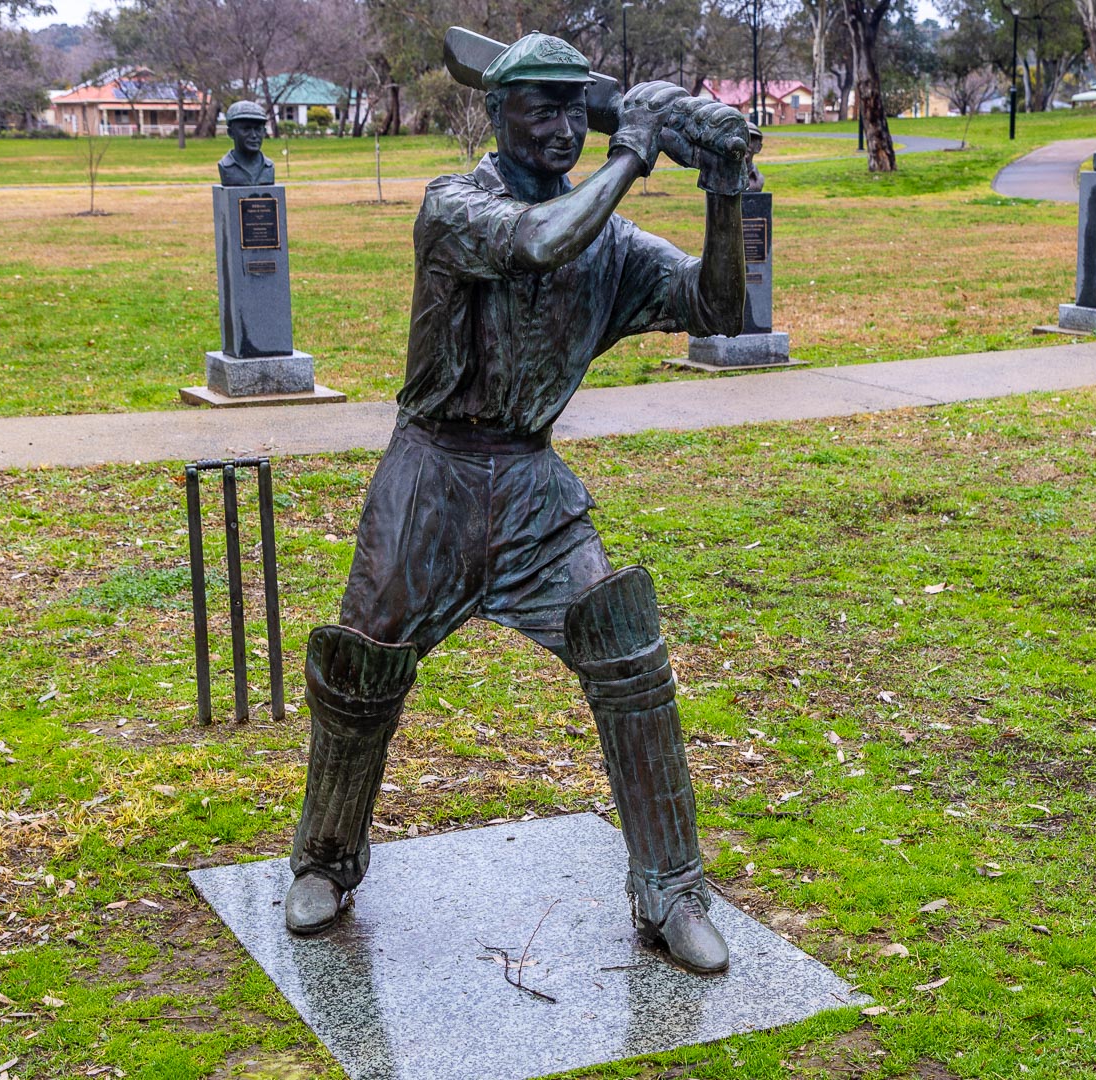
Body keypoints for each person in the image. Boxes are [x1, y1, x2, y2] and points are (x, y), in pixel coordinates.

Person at [282, 32, 749, 976]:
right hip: (432, 477)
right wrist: (634, 148)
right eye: (540, 108)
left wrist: (727, 187)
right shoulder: (457, 205)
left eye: (577, 108)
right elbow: (538, 244)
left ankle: (671, 886)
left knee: (624, 645)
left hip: (530, 485)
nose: (563, 128)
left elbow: (718, 307)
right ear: (495, 115)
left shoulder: (609, 239)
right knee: (361, 671)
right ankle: (324, 859)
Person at [217, 101, 275, 186]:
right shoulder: (226, 167)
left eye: (258, 129)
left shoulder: (269, 167)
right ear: (231, 133)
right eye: (246, 129)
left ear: (264, 132)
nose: (254, 135)